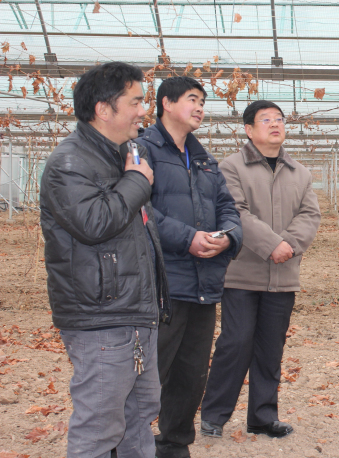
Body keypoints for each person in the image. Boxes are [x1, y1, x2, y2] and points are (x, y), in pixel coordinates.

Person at [40, 61, 171, 458]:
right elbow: (94, 223)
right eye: (135, 102)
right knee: (99, 428)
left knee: (140, 416)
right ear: (103, 109)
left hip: (133, 313)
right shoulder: (69, 163)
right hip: (102, 317)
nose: (143, 111)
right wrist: (137, 182)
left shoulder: (121, 156)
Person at [134, 76, 242, 458]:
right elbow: (139, 210)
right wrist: (188, 238)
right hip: (162, 285)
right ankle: (126, 445)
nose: (199, 108)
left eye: (202, 102)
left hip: (202, 286)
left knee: (191, 375)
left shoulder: (203, 158)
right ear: (166, 102)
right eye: (192, 99)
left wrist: (228, 237)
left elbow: (228, 208)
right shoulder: (141, 150)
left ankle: (174, 445)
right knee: (148, 376)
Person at [200, 100, 321, 439]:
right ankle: (214, 415)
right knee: (235, 342)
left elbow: (310, 214)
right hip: (242, 274)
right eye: (266, 119)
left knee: (270, 348)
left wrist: (289, 245)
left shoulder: (300, 172)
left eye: (279, 119)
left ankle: (262, 417)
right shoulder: (231, 167)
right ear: (249, 130)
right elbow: (235, 212)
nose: (275, 124)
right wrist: (272, 244)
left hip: (283, 275)